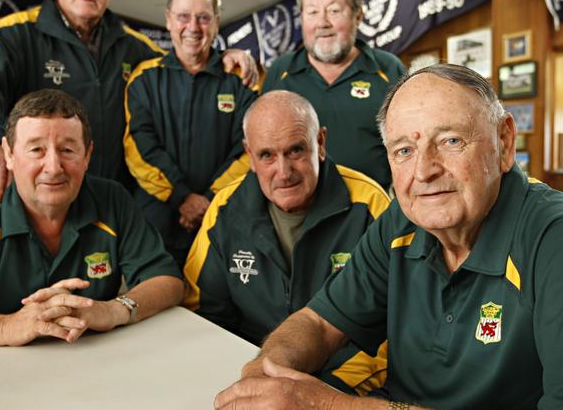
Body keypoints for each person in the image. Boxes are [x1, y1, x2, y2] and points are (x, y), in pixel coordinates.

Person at [215, 63, 563, 410]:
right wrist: (268, 370)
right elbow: (319, 323)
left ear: (503, 143)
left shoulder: (552, 237)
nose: (424, 172)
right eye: (404, 151)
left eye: (451, 141)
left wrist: (327, 406)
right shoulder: (402, 220)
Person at [0, 0, 257, 205]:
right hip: (38, 200)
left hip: (109, 205)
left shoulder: (136, 48)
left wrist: (223, 55)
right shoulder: (14, 35)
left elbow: (181, 62)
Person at [0, 89, 183, 346]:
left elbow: (167, 281)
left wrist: (113, 310)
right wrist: (6, 327)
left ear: (87, 155)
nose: (53, 168)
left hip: (93, 369)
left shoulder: (112, 199)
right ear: (9, 154)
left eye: (67, 150)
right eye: (36, 150)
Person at [183, 90, 390, 393]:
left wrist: (325, 390)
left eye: (295, 150)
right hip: (247, 375)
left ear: (320, 143)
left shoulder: (371, 206)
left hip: (339, 382)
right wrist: (240, 379)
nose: (284, 172)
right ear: (249, 156)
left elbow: (392, 330)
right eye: (267, 155)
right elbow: (202, 312)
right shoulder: (224, 209)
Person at [124, 0, 257, 268]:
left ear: (217, 23)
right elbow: (138, 145)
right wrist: (182, 197)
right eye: (183, 16)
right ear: (169, 20)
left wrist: (209, 199)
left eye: (204, 17)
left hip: (223, 216)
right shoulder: (144, 79)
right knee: (152, 299)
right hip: (155, 220)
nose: (193, 27)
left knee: (217, 309)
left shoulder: (241, 80)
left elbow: (250, 148)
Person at [262, 0, 405, 191]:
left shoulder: (388, 69)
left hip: (372, 210)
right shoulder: (280, 72)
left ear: (358, 16)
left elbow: (409, 144)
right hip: (299, 212)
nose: (322, 23)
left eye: (334, 11)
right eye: (312, 13)